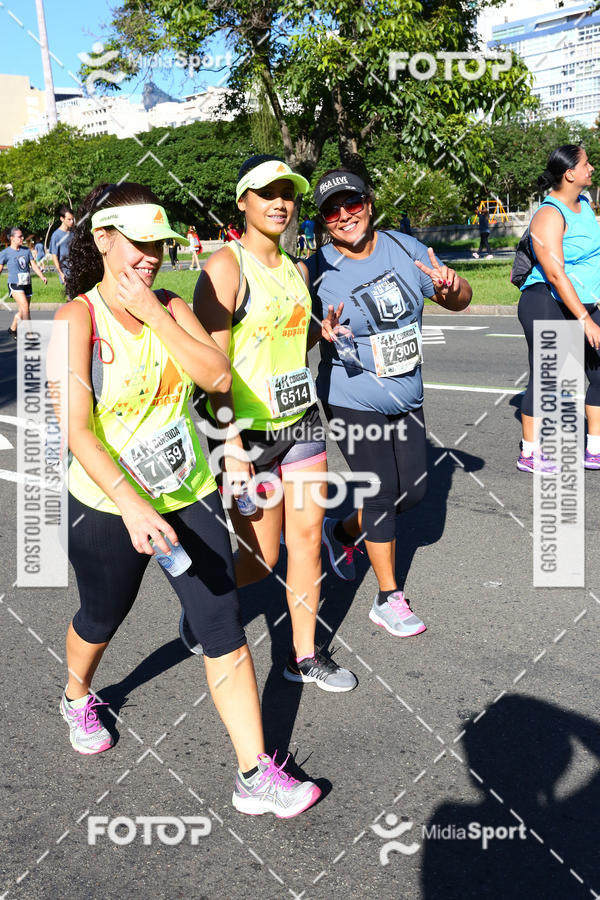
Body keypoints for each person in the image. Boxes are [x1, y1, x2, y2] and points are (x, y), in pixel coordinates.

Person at [53, 181, 321, 818]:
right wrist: (132, 502)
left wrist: (152, 313)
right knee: (100, 616)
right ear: (103, 240)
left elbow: (217, 375)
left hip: (188, 490)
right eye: (138, 244)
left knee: (224, 628)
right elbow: (76, 431)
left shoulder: (169, 304)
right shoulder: (74, 320)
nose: (149, 256)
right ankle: (75, 693)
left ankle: (255, 772)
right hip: (106, 501)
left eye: (158, 244)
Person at [184, 154, 357, 692]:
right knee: (262, 559)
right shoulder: (225, 267)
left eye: (287, 193)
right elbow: (212, 370)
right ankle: (204, 605)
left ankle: (303, 655)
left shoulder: (294, 268)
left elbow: (286, 341)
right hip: (244, 435)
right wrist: (231, 442)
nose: (280, 202)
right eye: (267, 193)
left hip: (300, 422)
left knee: (306, 542)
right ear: (243, 202)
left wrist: (317, 335)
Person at [302, 168, 472, 637]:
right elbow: (294, 346)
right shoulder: (316, 270)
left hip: (406, 391)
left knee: (411, 493)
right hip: (349, 393)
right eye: (331, 211)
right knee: (379, 489)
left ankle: (339, 534)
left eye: (351, 204)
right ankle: (387, 597)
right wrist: (317, 334)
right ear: (322, 221)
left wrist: (449, 286)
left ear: (369, 204)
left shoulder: (403, 248)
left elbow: (459, 300)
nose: (344, 216)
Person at [517, 145, 600, 472]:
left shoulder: (585, 204)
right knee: (548, 377)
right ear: (569, 173)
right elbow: (554, 272)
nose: (591, 168)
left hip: (584, 301)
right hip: (545, 300)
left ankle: (594, 448)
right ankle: (530, 452)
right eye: (586, 163)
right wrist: (586, 322)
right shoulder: (548, 215)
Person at [0, 226, 48, 339]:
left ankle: (12, 329)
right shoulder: (5, 253)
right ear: (12, 238)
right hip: (15, 284)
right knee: (25, 307)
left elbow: (33, 265)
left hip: (26, 283)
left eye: (22, 236)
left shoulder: (26, 250)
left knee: (23, 310)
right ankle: (29, 334)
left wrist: (42, 276)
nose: (22, 238)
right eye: (19, 236)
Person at [49, 205, 75, 294]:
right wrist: (61, 273)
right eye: (69, 219)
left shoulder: (73, 233)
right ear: (62, 219)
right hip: (65, 271)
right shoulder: (56, 235)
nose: (72, 222)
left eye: (72, 219)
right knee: (70, 296)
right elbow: (54, 255)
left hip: (75, 269)